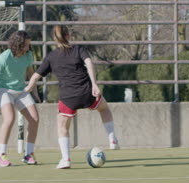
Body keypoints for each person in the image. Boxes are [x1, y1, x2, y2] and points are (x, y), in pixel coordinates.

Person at [24, 25, 119, 169]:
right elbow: (89, 63)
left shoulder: (51, 57)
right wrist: (94, 84)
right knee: (104, 108)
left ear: (54, 40)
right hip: (87, 93)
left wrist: (26, 90)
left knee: (62, 125)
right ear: (68, 36)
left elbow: (35, 77)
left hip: (68, 98)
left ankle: (66, 159)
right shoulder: (79, 49)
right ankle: (112, 140)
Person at [0, 31, 41, 167]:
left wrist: (34, 92)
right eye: (25, 45)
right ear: (18, 44)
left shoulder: (28, 55)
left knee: (34, 119)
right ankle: (1, 155)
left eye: (29, 45)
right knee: (10, 119)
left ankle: (29, 154)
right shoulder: (4, 57)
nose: (28, 48)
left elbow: (30, 74)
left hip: (21, 90)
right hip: (4, 90)